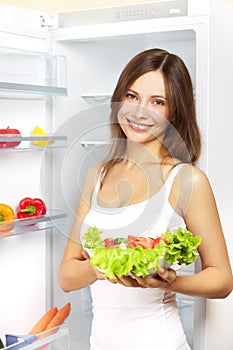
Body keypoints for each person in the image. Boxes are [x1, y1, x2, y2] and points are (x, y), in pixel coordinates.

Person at [58, 48, 233, 350]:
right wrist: (102, 266)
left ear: (175, 111)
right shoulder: (97, 175)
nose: (139, 112)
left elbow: (222, 280)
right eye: (132, 96)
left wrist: (169, 281)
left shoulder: (185, 180)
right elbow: (66, 276)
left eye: (158, 102)